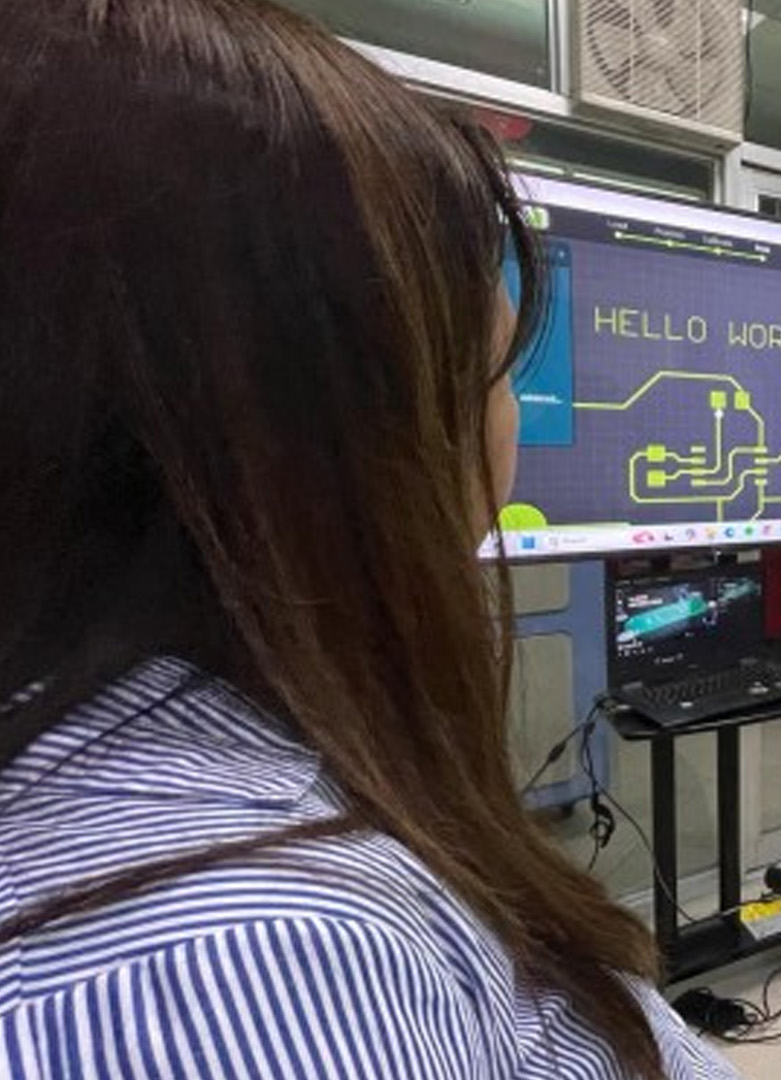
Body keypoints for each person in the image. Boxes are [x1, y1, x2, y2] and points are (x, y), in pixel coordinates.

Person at [0, 3, 738, 1077]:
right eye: (488, 375)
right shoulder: (241, 967)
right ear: (327, 440)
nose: (507, 436)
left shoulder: (224, 760)